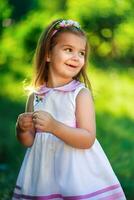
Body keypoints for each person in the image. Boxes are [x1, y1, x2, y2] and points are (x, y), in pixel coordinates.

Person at [12, 19, 126, 199]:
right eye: (68, 50)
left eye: (81, 53)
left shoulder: (80, 94)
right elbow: (29, 142)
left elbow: (87, 139)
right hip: (43, 175)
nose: (76, 57)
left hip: (76, 173)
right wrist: (21, 129)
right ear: (48, 54)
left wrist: (54, 127)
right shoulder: (36, 96)